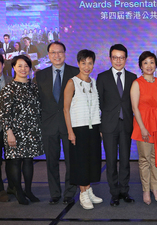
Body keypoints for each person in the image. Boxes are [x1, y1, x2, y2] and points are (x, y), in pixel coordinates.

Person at [35, 41, 79, 205]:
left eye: (60, 52)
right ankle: (54, 193)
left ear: (65, 53)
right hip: (48, 125)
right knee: (51, 162)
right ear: (48, 55)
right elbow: (38, 102)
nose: (57, 55)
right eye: (53, 52)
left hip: (70, 125)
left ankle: (69, 193)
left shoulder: (75, 72)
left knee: (71, 161)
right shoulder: (40, 75)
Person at [0, 55, 44, 205]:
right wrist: (9, 131)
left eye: (26, 66)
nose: (23, 69)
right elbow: (3, 112)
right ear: (13, 68)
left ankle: (28, 190)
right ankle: (18, 191)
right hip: (14, 132)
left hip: (31, 130)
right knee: (15, 162)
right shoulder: (9, 88)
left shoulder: (34, 87)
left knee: (29, 161)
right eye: (19, 66)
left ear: (30, 68)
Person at [97, 44, 136, 206]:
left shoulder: (133, 77)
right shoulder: (102, 77)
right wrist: (100, 126)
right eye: (115, 57)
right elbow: (98, 102)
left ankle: (124, 191)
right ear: (110, 58)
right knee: (111, 161)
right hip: (108, 126)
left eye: (121, 57)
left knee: (126, 160)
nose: (118, 60)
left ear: (126, 59)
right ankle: (114, 193)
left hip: (126, 124)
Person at [63, 49, 102, 210]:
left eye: (90, 63)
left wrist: (98, 128)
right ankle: (83, 194)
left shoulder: (93, 82)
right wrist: (70, 132)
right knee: (80, 162)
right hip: (78, 129)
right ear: (78, 63)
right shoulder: (72, 82)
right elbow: (66, 109)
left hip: (93, 128)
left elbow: (96, 106)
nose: (87, 66)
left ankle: (88, 189)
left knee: (92, 161)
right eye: (83, 63)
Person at [130, 51, 157, 205]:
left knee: (156, 157)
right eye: (145, 62)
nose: (149, 65)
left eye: (151, 62)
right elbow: (134, 108)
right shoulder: (136, 83)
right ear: (140, 66)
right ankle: (146, 190)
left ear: (156, 65)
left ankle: (155, 188)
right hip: (143, 124)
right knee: (145, 159)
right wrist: (143, 127)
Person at [0, 53, 13, 202]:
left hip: (10, 130)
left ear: (3, 64)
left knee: (12, 160)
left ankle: (12, 186)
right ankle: (0, 189)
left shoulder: (12, 82)